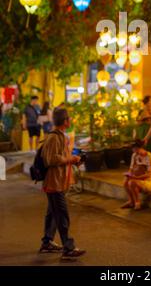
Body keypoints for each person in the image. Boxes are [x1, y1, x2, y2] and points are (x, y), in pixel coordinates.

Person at [40, 107, 86, 260]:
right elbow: (50, 160)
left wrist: (75, 161)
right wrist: (70, 160)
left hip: (59, 181)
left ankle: (47, 242)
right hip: (54, 183)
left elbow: (62, 157)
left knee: (53, 213)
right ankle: (68, 247)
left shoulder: (61, 136)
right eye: (69, 118)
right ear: (65, 121)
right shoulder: (54, 137)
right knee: (62, 215)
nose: (70, 120)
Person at [122, 139, 151, 210]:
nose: (133, 150)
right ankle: (131, 201)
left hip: (147, 181)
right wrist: (129, 174)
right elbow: (131, 168)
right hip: (137, 178)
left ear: (139, 148)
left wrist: (136, 177)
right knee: (125, 181)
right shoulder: (134, 155)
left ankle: (137, 202)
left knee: (132, 182)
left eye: (134, 148)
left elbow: (149, 174)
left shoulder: (149, 156)